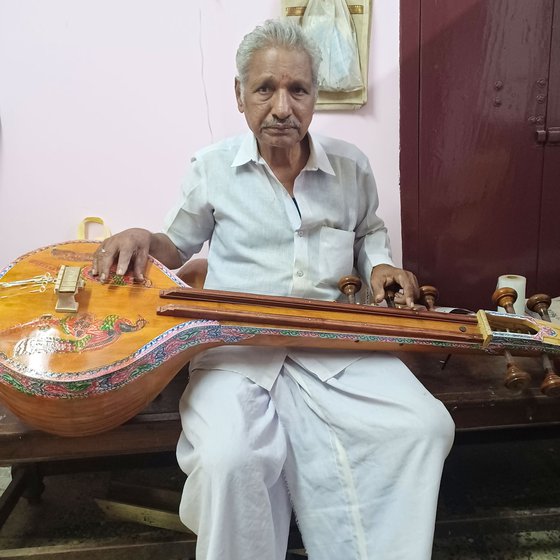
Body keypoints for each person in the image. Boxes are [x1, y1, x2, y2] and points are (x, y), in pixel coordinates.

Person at [92, 18, 455, 560]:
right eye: (265, 89)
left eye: (298, 89)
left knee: (424, 426)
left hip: (332, 343)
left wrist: (380, 266)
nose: (282, 107)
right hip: (237, 347)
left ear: (315, 97)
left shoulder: (351, 167)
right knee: (229, 460)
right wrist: (143, 236)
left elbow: (369, 231)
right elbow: (177, 246)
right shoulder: (212, 168)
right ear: (240, 95)